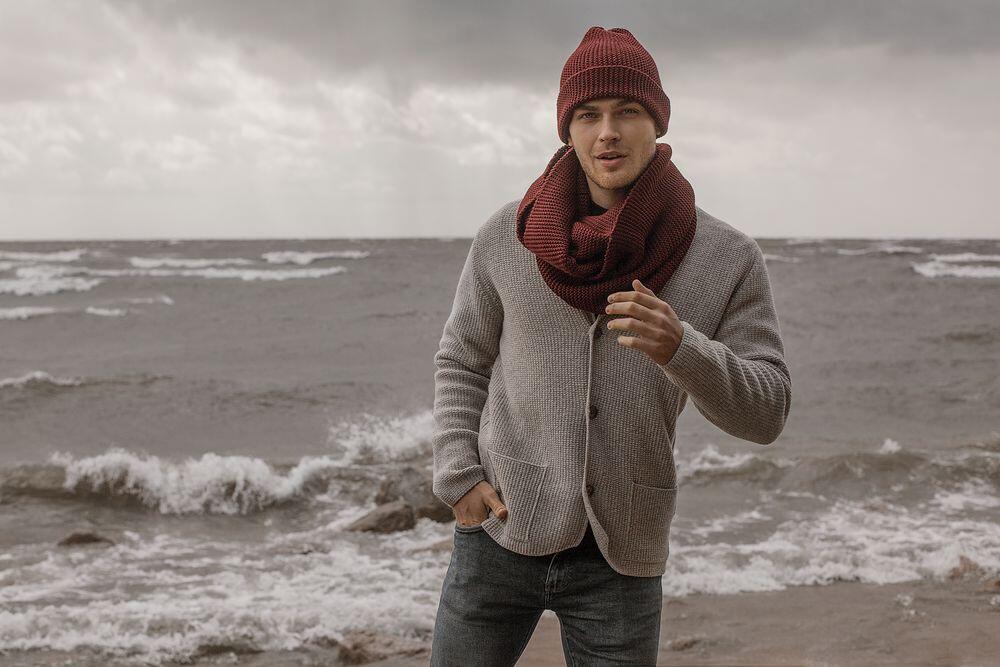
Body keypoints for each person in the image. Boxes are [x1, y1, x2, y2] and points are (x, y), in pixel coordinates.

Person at [428, 26, 791, 666]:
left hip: (622, 556)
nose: (608, 133)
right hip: (500, 531)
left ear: (658, 122)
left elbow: (767, 413)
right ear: (567, 130)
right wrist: (460, 477)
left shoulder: (726, 256)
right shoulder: (507, 235)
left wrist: (681, 348)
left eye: (627, 111)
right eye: (588, 115)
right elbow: (463, 359)